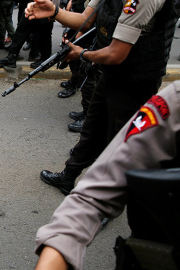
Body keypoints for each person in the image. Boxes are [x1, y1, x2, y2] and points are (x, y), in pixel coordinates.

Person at [24, 0, 177, 195]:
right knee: (92, 128)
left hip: (136, 81)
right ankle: (68, 177)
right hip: (111, 73)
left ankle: (106, 201)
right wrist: (54, 11)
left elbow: (116, 54)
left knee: (120, 144)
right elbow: (84, 19)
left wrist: (83, 54)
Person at [34, 81, 180, 270]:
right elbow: (97, 191)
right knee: (93, 134)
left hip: (126, 89)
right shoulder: (175, 101)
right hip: (118, 87)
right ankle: (68, 176)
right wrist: (58, 249)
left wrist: (83, 55)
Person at [0, 0, 53, 69]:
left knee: (44, 31)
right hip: (32, 3)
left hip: (45, 4)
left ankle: (45, 59)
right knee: (22, 27)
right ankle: (12, 56)